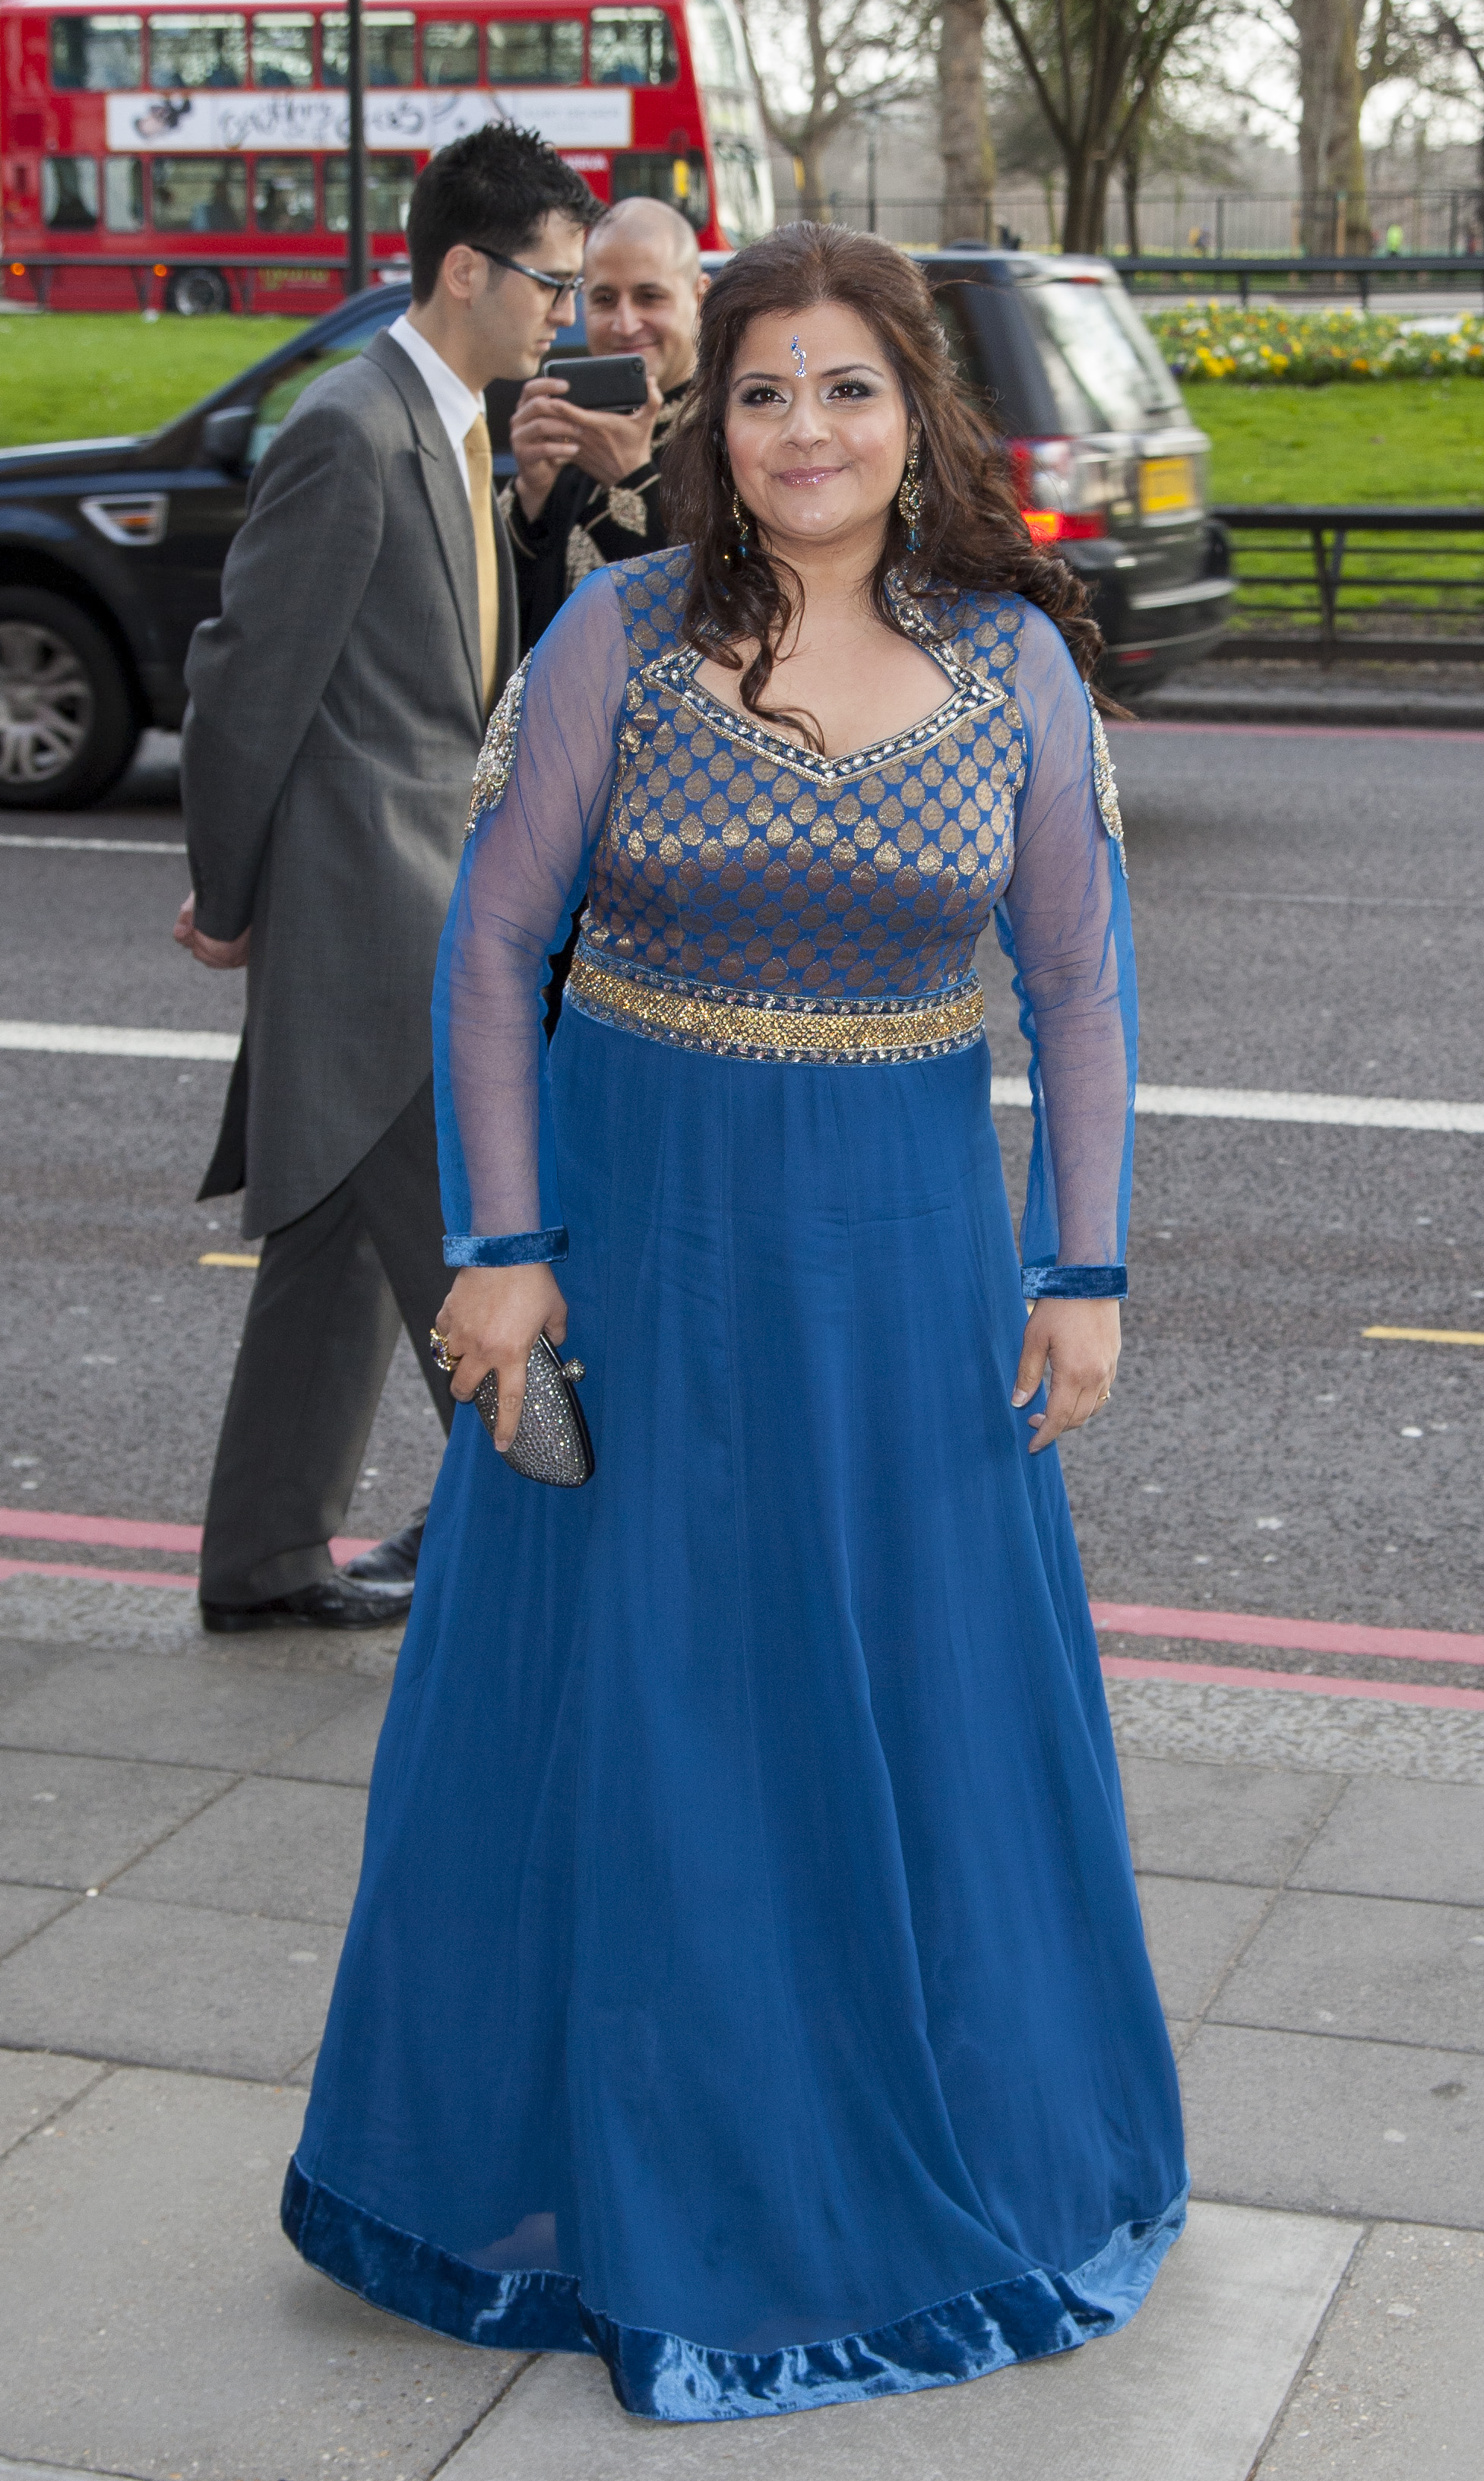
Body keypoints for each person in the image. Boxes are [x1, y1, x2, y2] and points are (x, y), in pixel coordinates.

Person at [283, 223, 1186, 2419]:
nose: (806, 431)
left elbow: (1077, 987)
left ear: (919, 419)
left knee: (903, 1709)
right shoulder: (612, 634)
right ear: (716, 419)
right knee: (649, 1715)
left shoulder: (1016, 663)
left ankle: (917, 2154)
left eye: (850, 391)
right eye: (765, 391)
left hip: (900, 1271)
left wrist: (1083, 1272)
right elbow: (491, 954)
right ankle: (625, 2185)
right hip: (645, 1244)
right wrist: (505, 1247)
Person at [174, 127, 597, 1634]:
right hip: (383, 933)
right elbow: (245, 689)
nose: (570, 314)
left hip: (424, 907)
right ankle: (567, 1584)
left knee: (327, 1253)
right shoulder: (348, 433)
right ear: (465, 270)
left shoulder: (461, 434)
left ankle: (263, 1563)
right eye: (551, 283)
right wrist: (226, 901)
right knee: (484, 1266)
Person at [503, 192, 708, 654]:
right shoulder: (569, 422)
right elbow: (504, 619)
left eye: (649, 297)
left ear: (700, 297)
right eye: (604, 299)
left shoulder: (736, 429)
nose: (625, 323)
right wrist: (531, 498)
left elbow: (727, 608)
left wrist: (634, 479)